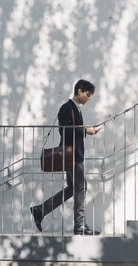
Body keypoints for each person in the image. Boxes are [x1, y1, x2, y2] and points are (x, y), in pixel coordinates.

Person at [30, 79, 101, 235]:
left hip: (75, 154)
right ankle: (80, 225)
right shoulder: (66, 107)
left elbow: (72, 130)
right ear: (80, 91)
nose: (88, 98)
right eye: (87, 95)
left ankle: (40, 210)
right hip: (73, 155)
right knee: (81, 186)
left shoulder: (76, 108)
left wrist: (88, 130)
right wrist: (85, 131)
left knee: (73, 188)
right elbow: (64, 130)